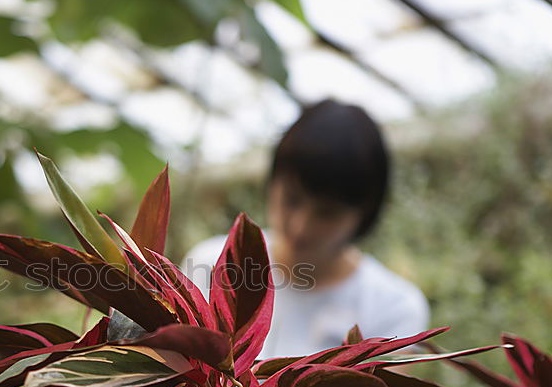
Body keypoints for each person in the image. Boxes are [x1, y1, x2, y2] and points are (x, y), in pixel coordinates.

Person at [181, 99, 428, 358]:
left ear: (364, 213)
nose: (301, 227)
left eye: (327, 213)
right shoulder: (212, 263)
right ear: (273, 181)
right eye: (292, 199)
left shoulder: (392, 309)